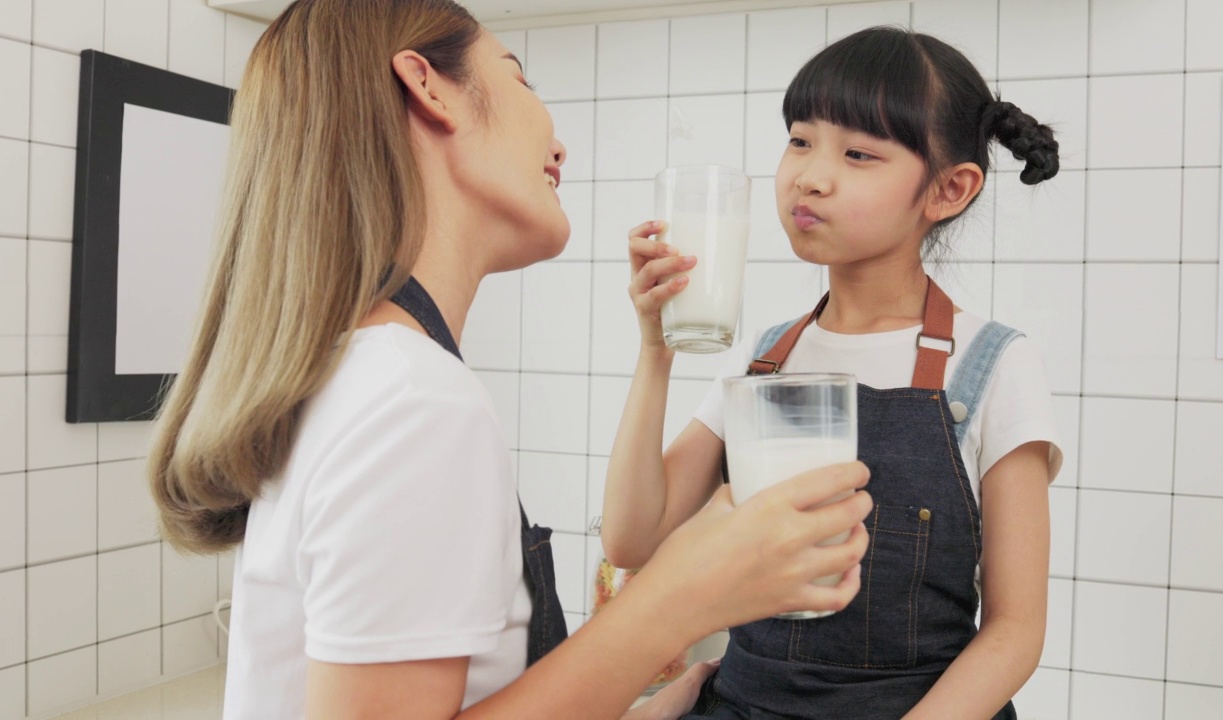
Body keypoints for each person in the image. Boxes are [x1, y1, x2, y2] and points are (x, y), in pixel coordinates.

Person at [145, 1, 876, 718]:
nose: (558, 147)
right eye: (520, 79)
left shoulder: (359, 374)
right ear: (428, 88)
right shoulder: (412, 399)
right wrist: (681, 595)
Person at [605, 26, 1063, 720]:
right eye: (799, 139)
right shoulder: (767, 355)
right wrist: (656, 346)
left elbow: (1015, 632)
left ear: (948, 189)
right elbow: (632, 538)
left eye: (857, 153)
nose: (810, 176)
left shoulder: (992, 363)